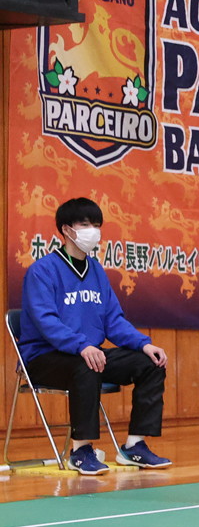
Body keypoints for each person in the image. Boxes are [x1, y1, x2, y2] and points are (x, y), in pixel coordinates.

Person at [18, 198, 171, 475]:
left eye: (97, 225)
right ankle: (81, 450)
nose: (93, 231)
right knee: (86, 364)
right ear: (66, 230)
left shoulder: (97, 271)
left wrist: (144, 344)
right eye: (85, 224)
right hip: (44, 358)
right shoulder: (42, 271)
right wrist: (82, 346)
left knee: (150, 363)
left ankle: (135, 446)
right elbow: (46, 321)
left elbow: (113, 320)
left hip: (88, 353)